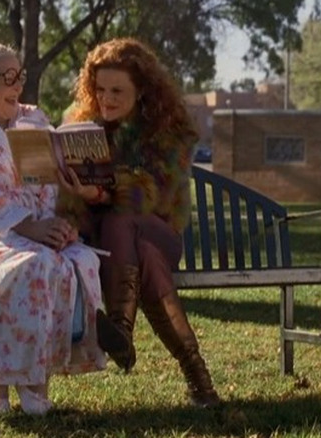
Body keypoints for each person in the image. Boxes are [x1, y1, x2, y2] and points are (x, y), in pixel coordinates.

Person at [0, 40, 107, 416]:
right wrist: (26, 226)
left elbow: (43, 186)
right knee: (28, 266)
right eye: (8, 77)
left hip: (33, 229)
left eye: (20, 76)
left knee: (79, 262)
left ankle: (36, 375)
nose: (18, 86)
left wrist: (54, 226)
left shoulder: (32, 120)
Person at [56, 38, 221, 408]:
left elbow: (150, 195)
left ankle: (120, 328)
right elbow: (68, 199)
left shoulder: (170, 131)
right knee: (145, 257)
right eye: (98, 89)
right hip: (110, 247)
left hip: (160, 231)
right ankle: (198, 379)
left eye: (117, 90)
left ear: (142, 90)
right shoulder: (82, 126)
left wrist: (100, 195)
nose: (106, 99)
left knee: (128, 222)